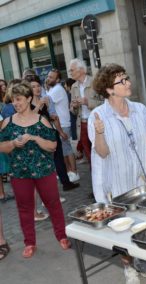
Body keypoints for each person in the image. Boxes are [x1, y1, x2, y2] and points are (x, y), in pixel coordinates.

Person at [89, 63, 146, 282]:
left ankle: (142, 259)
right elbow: (102, 153)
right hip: (119, 181)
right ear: (109, 89)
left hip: (145, 178)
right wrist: (100, 133)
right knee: (124, 229)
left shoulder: (139, 109)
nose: (128, 83)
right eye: (121, 80)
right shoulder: (98, 115)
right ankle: (129, 267)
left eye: (126, 77)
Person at [0, 81, 71, 258]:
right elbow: (2, 146)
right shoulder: (7, 123)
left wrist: (34, 138)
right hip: (19, 173)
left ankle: (62, 236)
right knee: (24, 208)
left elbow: (53, 146)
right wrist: (13, 143)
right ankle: (29, 243)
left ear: (29, 98)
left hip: (44, 171)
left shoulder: (42, 121)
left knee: (53, 203)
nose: (15, 103)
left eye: (19, 99)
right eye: (13, 100)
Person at [47, 69, 80, 182]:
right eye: (48, 76)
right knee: (63, 150)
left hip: (63, 123)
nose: (48, 78)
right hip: (59, 124)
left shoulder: (57, 89)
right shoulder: (52, 89)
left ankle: (74, 172)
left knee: (67, 149)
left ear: (58, 79)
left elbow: (46, 103)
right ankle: (69, 171)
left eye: (51, 77)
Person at [69, 58, 103, 166]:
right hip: (82, 124)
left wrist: (88, 102)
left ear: (81, 70)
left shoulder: (95, 82)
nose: (70, 72)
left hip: (95, 123)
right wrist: (74, 106)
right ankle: (95, 177)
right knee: (89, 155)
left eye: (72, 70)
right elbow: (73, 111)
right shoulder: (74, 87)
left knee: (100, 152)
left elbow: (105, 103)